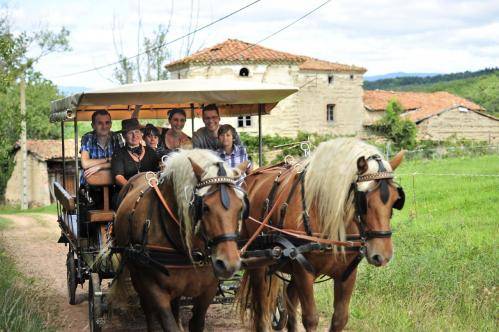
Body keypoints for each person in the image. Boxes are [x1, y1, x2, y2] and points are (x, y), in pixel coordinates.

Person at [79, 110, 124, 207]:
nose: (104, 126)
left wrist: (99, 166)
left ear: (111, 124)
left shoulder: (116, 137)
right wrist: (109, 159)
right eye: (100, 123)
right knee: (91, 205)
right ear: (93, 125)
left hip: (113, 185)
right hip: (90, 187)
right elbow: (85, 163)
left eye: (107, 123)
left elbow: (121, 161)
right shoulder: (87, 138)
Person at [112, 118, 159, 187]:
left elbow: (157, 172)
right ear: (124, 135)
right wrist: (133, 189)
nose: (134, 136)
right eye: (130, 133)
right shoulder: (119, 153)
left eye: (137, 132)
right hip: (128, 191)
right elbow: (119, 178)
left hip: (150, 189)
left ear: (141, 134)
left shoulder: (151, 152)